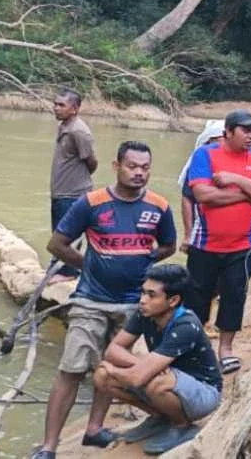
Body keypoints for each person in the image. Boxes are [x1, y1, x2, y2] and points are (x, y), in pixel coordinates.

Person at [32, 141, 177, 459]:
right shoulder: (91, 203)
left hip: (134, 305)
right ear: (116, 166)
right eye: (132, 166)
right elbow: (57, 244)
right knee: (71, 369)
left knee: (110, 369)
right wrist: (89, 265)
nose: (139, 173)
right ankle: (49, 446)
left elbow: (169, 245)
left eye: (145, 168)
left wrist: (145, 259)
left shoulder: (159, 206)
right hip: (91, 301)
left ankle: (94, 429)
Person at [88, 265, 222, 455]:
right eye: (143, 293)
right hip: (171, 381)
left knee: (156, 382)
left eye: (151, 295)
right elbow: (113, 350)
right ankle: (159, 417)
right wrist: (144, 366)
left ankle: (181, 425)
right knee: (102, 377)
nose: (143, 300)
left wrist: (115, 370)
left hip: (204, 391)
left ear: (173, 300)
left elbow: (137, 379)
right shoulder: (145, 313)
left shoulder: (186, 324)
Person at [186, 109, 251, 375]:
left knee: (234, 296)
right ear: (228, 131)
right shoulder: (205, 155)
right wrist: (249, 193)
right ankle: (194, 346)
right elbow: (203, 195)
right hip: (205, 243)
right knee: (197, 296)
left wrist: (235, 179)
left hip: (244, 245)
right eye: (245, 130)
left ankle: (225, 349)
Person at [50, 88, 98, 281]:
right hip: (61, 191)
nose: (56, 108)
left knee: (66, 236)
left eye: (62, 105)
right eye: (55, 104)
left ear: (75, 109)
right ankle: (58, 267)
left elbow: (92, 162)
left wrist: (80, 180)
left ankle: (68, 272)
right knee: (58, 232)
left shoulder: (79, 131)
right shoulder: (64, 126)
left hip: (73, 193)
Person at [177, 120, 224, 254]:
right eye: (219, 140)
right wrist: (188, 235)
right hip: (203, 229)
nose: (222, 145)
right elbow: (187, 198)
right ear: (209, 141)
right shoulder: (198, 164)